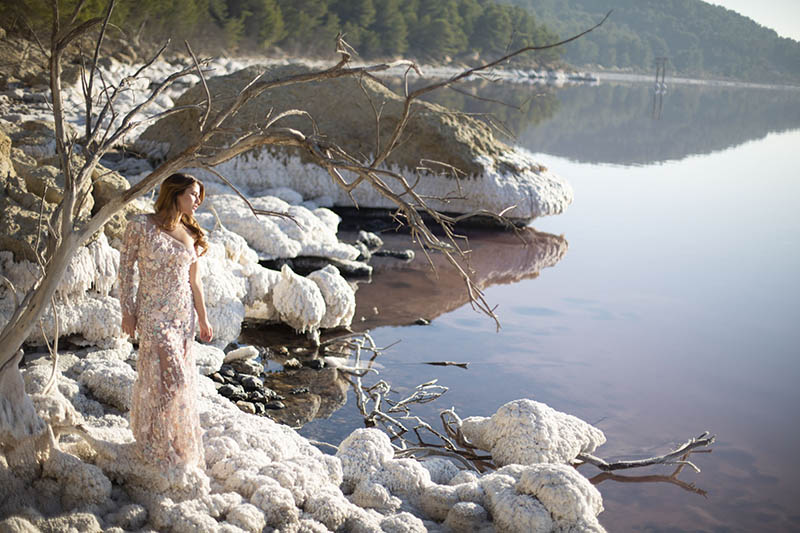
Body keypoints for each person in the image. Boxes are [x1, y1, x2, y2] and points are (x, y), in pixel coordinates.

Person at [118, 173, 213, 472]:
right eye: (193, 194)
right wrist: (127, 310)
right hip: (153, 315)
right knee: (173, 380)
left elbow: (195, 283)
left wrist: (203, 320)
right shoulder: (140, 225)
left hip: (182, 317)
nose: (197, 201)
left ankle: (167, 438)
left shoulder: (191, 233)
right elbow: (125, 270)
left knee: (171, 382)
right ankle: (152, 440)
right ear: (175, 193)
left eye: (199, 196)